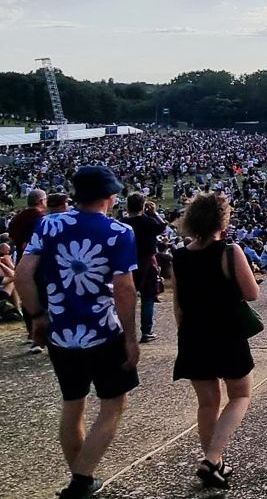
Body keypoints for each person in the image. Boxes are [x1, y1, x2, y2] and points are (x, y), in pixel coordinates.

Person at [15, 166, 139, 499]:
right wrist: (131, 336)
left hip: (60, 334)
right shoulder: (119, 231)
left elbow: (23, 275)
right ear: (109, 197)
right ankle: (81, 480)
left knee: (73, 405)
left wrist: (38, 316)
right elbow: (125, 290)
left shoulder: (48, 224)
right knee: (113, 405)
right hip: (103, 332)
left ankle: (81, 479)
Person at [172, 193, 259, 490]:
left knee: (207, 403)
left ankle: (216, 462)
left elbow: (178, 306)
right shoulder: (229, 251)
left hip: (194, 333)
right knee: (240, 395)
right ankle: (212, 459)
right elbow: (251, 293)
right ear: (222, 220)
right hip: (226, 331)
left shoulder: (180, 255)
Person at [121, 193, 167, 343]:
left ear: (127, 206)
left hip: (127, 262)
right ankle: (146, 331)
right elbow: (163, 226)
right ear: (143, 205)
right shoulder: (149, 222)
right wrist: (153, 212)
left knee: (127, 298)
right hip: (147, 261)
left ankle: (126, 332)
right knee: (148, 297)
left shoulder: (122, 223)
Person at [10, 188, 47, 353]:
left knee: (27, 298)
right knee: (42, 297)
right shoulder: (40, 219)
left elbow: (12, 239)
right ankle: (42, 335)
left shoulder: (16, 219)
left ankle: (31, 333)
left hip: (20, 262)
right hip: (38, 263)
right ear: (41, 201)